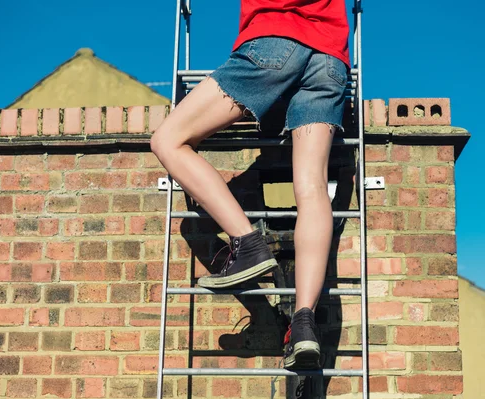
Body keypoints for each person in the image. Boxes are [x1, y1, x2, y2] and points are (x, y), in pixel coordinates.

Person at [150, 0, 350, 370]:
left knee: (168, 140)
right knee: (312, 188)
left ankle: (247, 243)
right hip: (330, 58)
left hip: (275, 42)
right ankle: (303, 323)